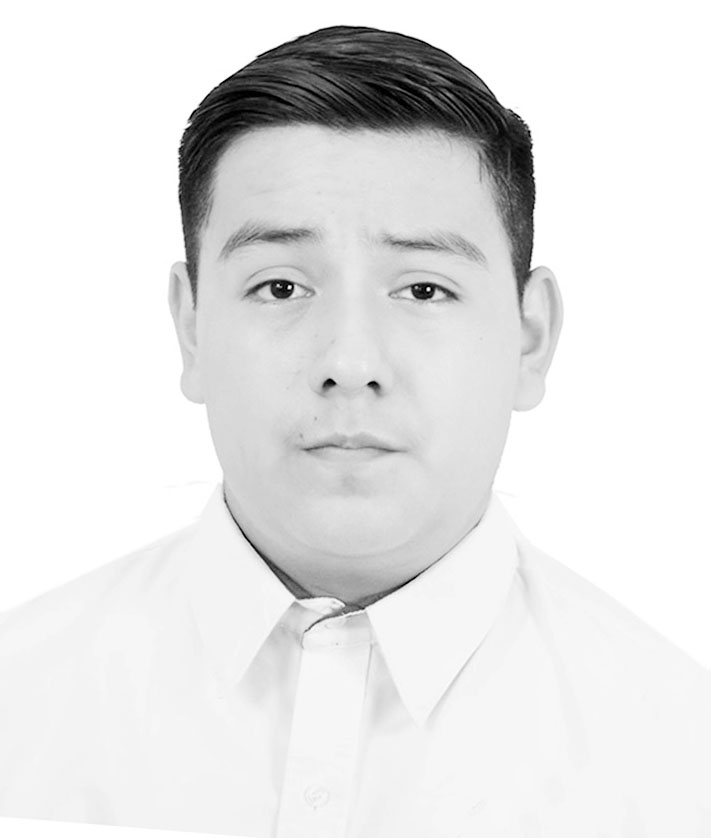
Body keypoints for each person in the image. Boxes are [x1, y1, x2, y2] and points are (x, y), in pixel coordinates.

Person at [0, 24, 708, 838]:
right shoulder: (19, 705)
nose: (348, 362)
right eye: (279, 286)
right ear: (191, 327)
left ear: (529, 336)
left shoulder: (682, 766)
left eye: (423, 290)